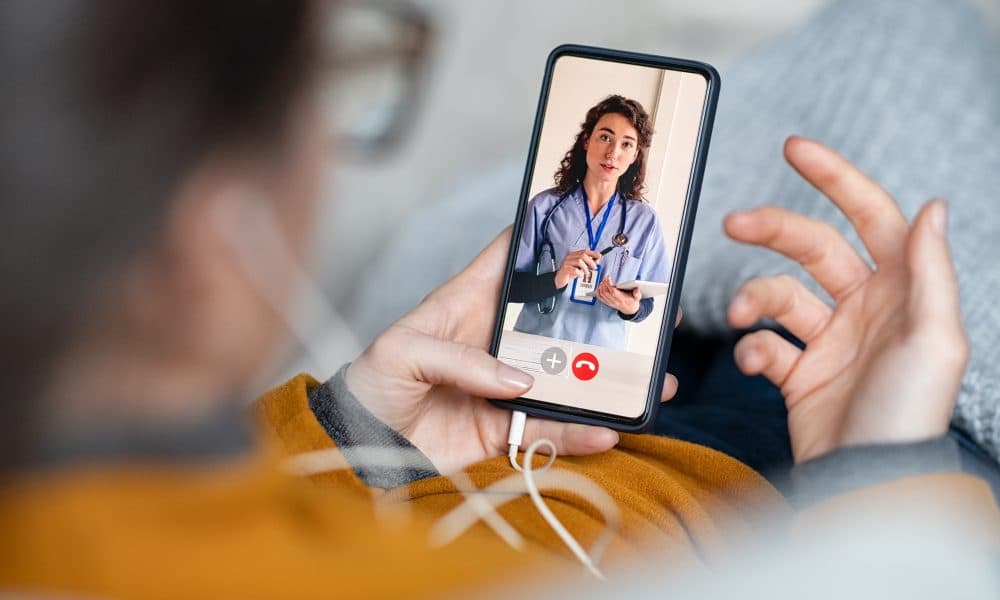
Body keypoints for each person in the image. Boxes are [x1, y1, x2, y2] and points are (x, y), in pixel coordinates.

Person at [0, 1, 996, 598]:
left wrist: (346, 436)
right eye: (333, 85)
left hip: (583, 431)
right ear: (207, 248)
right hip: (802, 496)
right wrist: (891, 477)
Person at [509, 95, 671, 349]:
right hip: (536, 344)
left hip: (601, 355)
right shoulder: (544, 207)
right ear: (587, 140)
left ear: (635, 155)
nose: (613, 153)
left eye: (626, 144)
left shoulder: (644, 222)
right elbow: (509, 287)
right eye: (605, 137)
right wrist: (557, 278)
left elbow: (646, 305)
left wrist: (630, 307)